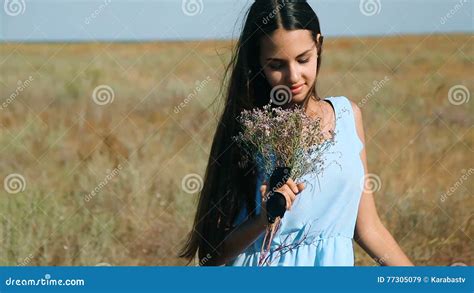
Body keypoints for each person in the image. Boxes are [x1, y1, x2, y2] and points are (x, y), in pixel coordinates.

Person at [179, 0, 414, 266]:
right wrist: (263, 219)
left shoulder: (348, 116)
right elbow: (211, 255)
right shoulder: (247, 130)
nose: (293, 76)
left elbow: (369, 229)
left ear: (319, 45)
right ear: (257, 61)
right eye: (276, 65)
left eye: (303, 59)